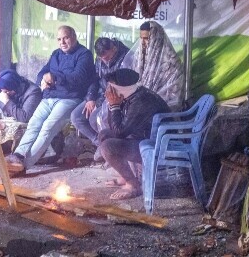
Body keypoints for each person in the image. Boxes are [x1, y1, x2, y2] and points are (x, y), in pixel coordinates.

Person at [5, 25, 96, 174]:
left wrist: (54, 77)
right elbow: (42, 72)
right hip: (49, 97)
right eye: (59, 39)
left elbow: (78, 78)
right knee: (34, 123)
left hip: (70, 98)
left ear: (74, 37)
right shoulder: (56, 54)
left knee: (48, 127)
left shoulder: (84, 54)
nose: (62, 42)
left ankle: (23, 166)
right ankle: (18, 155)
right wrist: (42, 79)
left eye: (66, 38)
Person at [98, 68, 169, 200]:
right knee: (104, 134)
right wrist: (112, 105)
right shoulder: (131, 96)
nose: (109, 91)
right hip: (141, 139)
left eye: (111, 86)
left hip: (155, 145)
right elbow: (113, 128)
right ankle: (126, 177)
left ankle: (133, 184)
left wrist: (114, 106)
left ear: (122, 87)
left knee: (108, 147)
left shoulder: (141, 101)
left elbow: (119, 132)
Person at [70, 37, 129, 155]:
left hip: (115, 96)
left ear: (113, 48)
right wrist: (90, 98)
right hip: (99, 95)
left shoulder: (126, 57)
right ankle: (101, 144)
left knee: (95, 119)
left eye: (106, 57)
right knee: (76, 117)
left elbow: (119, 86)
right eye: (101, 58)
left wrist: (99, 103)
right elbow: (94, 79)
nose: (104, 60)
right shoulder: (100, 59)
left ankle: (113, 148)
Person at [122, 21, 184, 109]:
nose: (142, 42)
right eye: (141, 38)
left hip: (162, 106)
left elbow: (173, 91)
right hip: (139, 103)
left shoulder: (170, 60)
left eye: (146, 38)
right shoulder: (139, 56)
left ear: (156, 38)